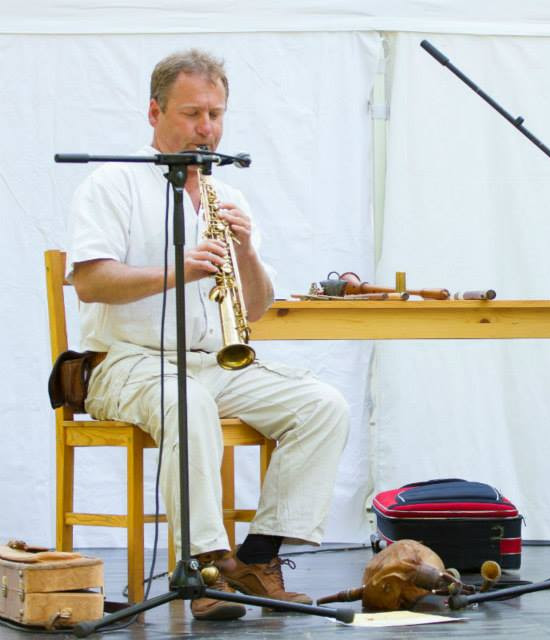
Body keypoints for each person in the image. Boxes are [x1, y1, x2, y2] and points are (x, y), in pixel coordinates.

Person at [67, 49, 350, 621]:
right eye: (193, 113)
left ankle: (257, 557)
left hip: (209, 362)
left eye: (216, 115)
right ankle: (204, 570)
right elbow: (91, 282)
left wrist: (245, 250)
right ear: (154, 112)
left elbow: (260, 307)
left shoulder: (229, 197)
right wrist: (179, 268)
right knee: (188, 402)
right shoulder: (113, 184)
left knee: (323, 405)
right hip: (121, 361)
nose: (207, 129)